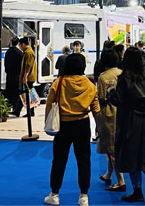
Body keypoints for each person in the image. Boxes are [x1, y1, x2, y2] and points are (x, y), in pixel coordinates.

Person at [44, 53, 100, 206]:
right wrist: (99, 127)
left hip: (63, 126)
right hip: (82, 125)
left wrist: (48, 122)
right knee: (84, 161)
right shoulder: (89, 84)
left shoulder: (59, 82)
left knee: (59, 160)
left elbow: (49, 104)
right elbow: (96, 108)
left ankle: (54, 194)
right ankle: (84, 196)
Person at [108, 47, 145, 202]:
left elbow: (119, 100)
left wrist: (111, 92)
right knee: (143, 152)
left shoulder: (124, 77)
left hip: (129, 119)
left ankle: (137, 190)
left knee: (131, 155)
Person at [96, 49, 126, 191]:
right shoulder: (122, 73)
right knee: (114, 145)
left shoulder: (103, 77)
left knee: (111, 147)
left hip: (108, 113)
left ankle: (120, 181)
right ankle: (108, 174)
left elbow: (101, 97)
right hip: (122, 112)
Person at [4, 37, 24, 117]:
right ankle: (15, 108)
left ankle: (7, 107)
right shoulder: (19, 53)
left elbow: (5, 63)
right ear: (18, 43)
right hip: (17, 75)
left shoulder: (8, 52)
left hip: (9, 74)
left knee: (9, 91)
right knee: (16, 92)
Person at [19, 37, 37, 117]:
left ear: (23, 44)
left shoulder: (29, 52)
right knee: (28, 94)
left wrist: (25, 76)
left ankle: (31, 111)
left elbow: (28, 65)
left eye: (20, 45)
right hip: (28, 76)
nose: (20, 47)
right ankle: (28, 111)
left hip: (29, 77)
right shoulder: (27, 52)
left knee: (29, 94)